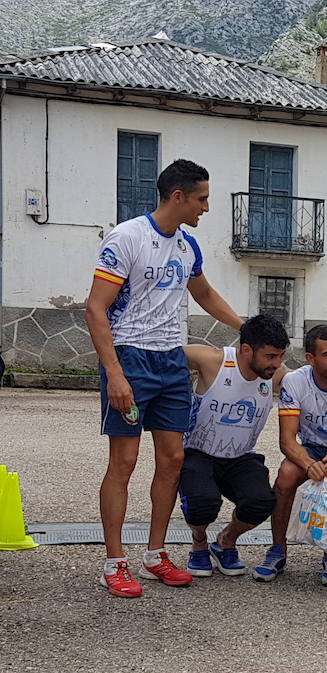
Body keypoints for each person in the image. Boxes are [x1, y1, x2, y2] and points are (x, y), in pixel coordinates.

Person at [86, 159, 244, 598]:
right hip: (131, 360)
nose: (206, 207)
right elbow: (95, 309)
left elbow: (205, 293)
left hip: (172, 360)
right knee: (124, 462)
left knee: (172, 459)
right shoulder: (127, 237)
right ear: (179, 196)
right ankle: (114, 562)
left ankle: (155, 553)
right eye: (202, 198)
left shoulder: (187, 245)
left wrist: (245, 328)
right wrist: (115, 375)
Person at [253, 325, 327, 587]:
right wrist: (309, 464)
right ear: (310, 359)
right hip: (312, 449)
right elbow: (286, 441)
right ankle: (278, 550)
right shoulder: (295, 381)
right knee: (285, 476)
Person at [178, 314, 288, 577]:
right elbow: (163, 353)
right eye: (270, 356)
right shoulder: (213, 360)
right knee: (203, 503)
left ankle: (225, 540)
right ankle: (200, 542)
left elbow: (314, 380)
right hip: (198, 453)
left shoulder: (277, 374)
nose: (277, 363)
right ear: (247, 349)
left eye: (281, 356)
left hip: (240, 457)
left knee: (262, 501)